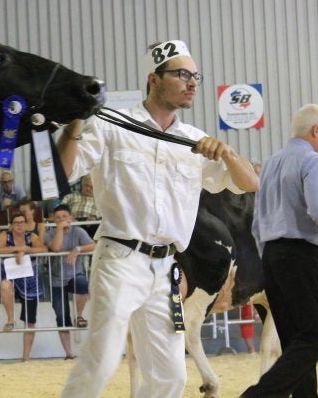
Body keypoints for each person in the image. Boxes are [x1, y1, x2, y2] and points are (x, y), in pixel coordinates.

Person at [57, 39, 259, 397]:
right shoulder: (111, 127)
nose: (192, 82)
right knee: (100, 359)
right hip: (120, 259)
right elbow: (63, 171)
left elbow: (250, 183)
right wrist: (76, 118)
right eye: (182, 74)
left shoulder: (195, 141)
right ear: (154, 79)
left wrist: (227, 152)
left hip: (166, 267)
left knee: (170, 375)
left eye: (195, 76)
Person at [240, 104, 318, 398]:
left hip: (272, 257)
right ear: (316, 130)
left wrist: (269, 254)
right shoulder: (312, 161)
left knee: (295, 341)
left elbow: (257, 222)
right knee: (314, 338)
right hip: (302, 255)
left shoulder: (271, 163)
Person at [0, 212, 48, 362]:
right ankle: (10, 319)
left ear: (25, 223)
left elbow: (43, 249)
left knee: (30, 321)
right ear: (12, 224)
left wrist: (25, 250)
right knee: (5, 285)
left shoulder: (32, 236)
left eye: (21, 222)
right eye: (16, 222)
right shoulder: (5, 235)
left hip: (29, 277)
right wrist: (17, 249)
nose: (19, 225)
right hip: (10, 274)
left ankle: (26, 357)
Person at [44, 204, 95, 359]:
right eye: (58, 217)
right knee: (61, 315)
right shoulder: (49, 234)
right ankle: (68, 353)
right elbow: (57, 248)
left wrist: (77, 249)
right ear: (53, 219)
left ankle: (79, 316)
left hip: (75, 273)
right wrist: (59, 230)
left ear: (71, 218)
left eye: (64, 217)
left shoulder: (78, 231)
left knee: (82, 284)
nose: (61, 220)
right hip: (56, 279)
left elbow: (94, 245)